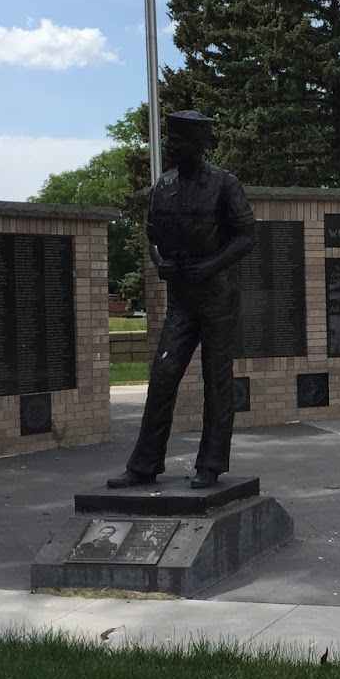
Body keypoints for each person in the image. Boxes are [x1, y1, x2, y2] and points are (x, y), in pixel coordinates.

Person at [107, 110, 255, 490]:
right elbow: (151, 233)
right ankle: (144, 464)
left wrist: (209, 267)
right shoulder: (163, 185)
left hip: (217, 297)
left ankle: (210, 464)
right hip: (182, 299)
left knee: (216, 381)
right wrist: (159, 262)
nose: (171, 147)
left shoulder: (224, 184)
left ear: (199, 144)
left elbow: (245, 237)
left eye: (178, 142)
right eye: (169, 141)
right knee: (162, 376)